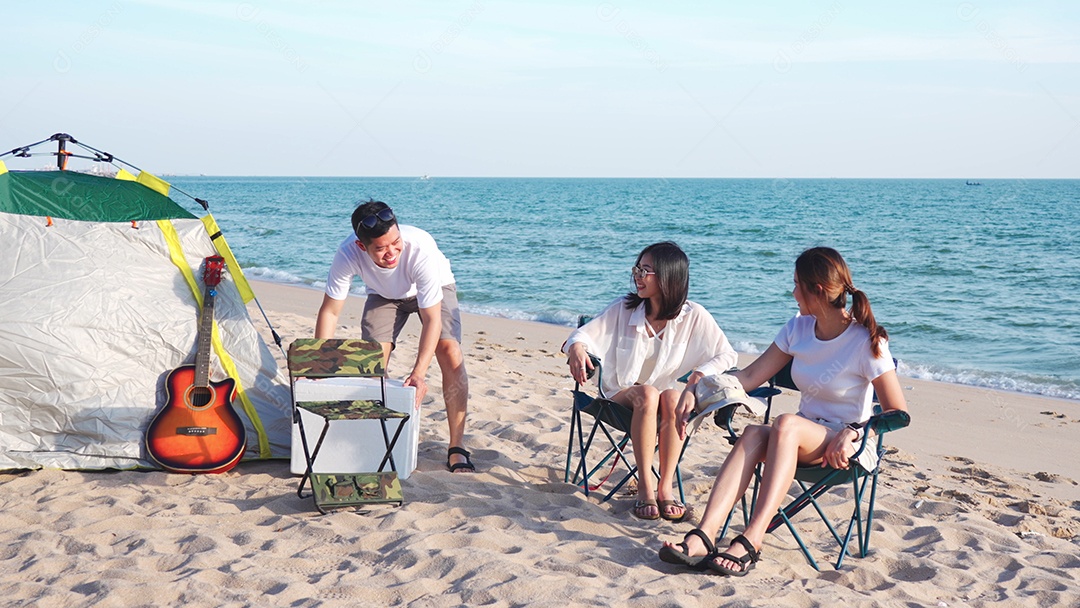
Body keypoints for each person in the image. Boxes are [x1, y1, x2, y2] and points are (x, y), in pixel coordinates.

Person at [659, 246, 908, 576]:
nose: (792, 293)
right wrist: (697, 386)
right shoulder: (797, 329)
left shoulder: (865, 341)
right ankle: (705, 535)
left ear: (816, 291)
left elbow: (898, 413)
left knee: (787, 424)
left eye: (796, 285)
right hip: (796, 440)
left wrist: (855, 431)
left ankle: (752, 538)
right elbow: (748, 377)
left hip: (846, 446)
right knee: (753, 433)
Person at [563, 242, 737, 522]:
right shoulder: (623, 308)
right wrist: (577, 349)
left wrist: (699, 374)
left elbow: (727, 354)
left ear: (669, 277)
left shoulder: (694, 316)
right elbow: (582, 335)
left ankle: (664, 487)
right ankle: (645, 486)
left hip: (662, 402)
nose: (638, 276)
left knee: (670, 396)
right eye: (637, 268)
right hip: (618, 396)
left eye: (646, 271)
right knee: (647, 393)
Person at [314, 200, 475, 473]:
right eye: (381, 248)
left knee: (449, 350)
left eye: (395, 242)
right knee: (371, 361)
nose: (392, 252)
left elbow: (432, 319)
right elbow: (330, 312)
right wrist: (318, 364)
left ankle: (457, 447)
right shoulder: (346, 254)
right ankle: (378, 437)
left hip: (435, 287)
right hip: (384, 294)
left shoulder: (419, 249)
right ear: (361, 247)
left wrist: (419, 373)